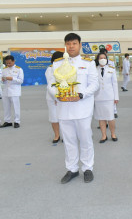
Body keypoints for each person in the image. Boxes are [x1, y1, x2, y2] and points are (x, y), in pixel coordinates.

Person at [47, 33, 99, 184]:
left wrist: (81, 95)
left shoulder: (88, 63)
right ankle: (72, 169)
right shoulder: (56, 64)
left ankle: (88, 168)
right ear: (65, 45)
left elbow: (94, 84)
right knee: (69, 140)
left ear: (80, 45)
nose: (71, 46)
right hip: (64, 109)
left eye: (74, 43)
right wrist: (58, 95)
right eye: (68, 44)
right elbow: (51, 83)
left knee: (85, 139)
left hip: (82, 108)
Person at [94, 52, 119, 143]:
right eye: (101, 58)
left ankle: (113, 134)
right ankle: (104, 135)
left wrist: (116, 97)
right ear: (97, 59)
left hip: (109, 97)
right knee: (101, 118)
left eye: (104, 58)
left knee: (110, 117)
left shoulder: (111, 69)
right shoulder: (94, 70)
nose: (103, 59)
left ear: (107, 59)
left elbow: (115, 84)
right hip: (98, 97)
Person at [1, 55, 24, 128]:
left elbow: (20, 81)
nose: (8, 65)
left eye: (10, 63)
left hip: (14, 91)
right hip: (6, 91)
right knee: (6, 107)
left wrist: (12, 78)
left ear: (14, 61)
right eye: (7, 63)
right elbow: (2, 81)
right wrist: (3, 80)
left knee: (16, 107)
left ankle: (17, 121)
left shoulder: (19, 69)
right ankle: (7, 121)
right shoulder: (4, 69)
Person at [45, 51, 63, 143]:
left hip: (65, 97)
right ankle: (57, 135)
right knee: (54, 117)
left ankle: (65, 135)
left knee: (64, 117)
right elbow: (50, 85)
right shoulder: (50, 69)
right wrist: (56, 97)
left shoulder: (66, 68)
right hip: (53, 97)